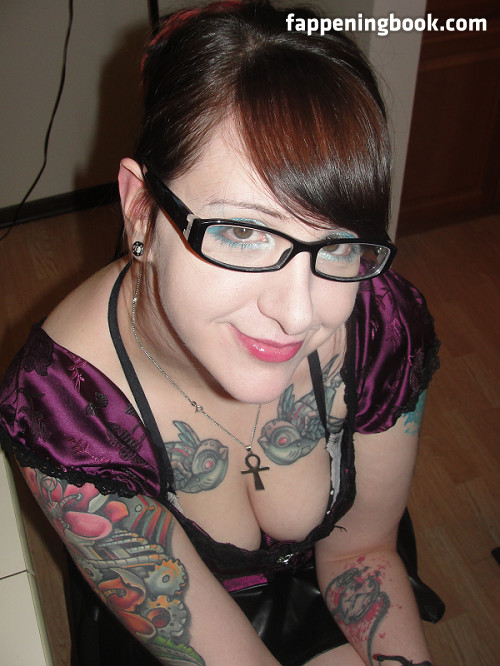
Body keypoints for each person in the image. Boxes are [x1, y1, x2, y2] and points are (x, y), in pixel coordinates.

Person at [0, 1, 440, 664]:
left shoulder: (379, 320)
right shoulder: (66, 415)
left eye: (341, 243)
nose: (300, 314)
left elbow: (363, 551)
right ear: (140, 207)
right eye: (242, 231)